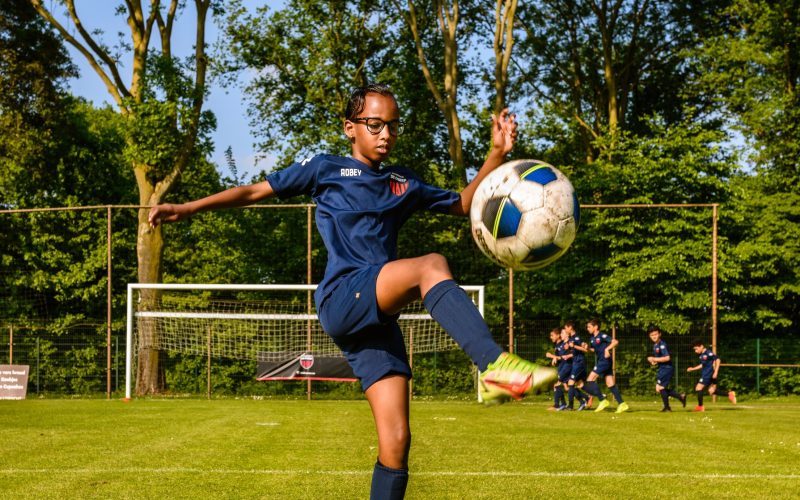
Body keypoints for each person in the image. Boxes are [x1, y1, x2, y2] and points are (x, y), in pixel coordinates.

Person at [148, 83, 556, 499]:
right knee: (431, 264)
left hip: (375, 320)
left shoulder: (404, 182)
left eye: (393, 126)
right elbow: (254, 191)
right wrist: (187, 208)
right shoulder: (324, 168)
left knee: (397, 443)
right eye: (375, 125)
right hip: (343, 296)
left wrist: (497, 154)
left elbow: (462, 204)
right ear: (350, 127)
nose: (385, 135)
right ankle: (494, 367)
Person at [582, 318, 629, 413]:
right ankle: (622, 404)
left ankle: (602, 400)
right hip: (602, 360)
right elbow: (595, 351)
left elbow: (615, 341)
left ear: (596, 327)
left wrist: (607, 349)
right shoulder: (592, 339)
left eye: (589, 327)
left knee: (590, 379)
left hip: (605, 361)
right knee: (610, 383)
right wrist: (587, 348)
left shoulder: (602, 335)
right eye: (587, 327)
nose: (588, 328)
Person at [687, 339, 737, 412]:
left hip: (708, 374)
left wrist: (716, 372)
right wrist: (693, 369)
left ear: (701, 346)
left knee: (698, 388)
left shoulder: (708, 353)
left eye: (696, 349)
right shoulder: (702, 355)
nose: (695, 351)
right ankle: (730, 394)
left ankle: (700, 407)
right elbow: (703, 365)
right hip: (707, 374)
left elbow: (718, 360)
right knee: (711, 391)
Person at [645, 325, 686, 412]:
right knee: (660, 388)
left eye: (655, 334)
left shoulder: (662, 345)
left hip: (667, 368)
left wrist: (654, 358)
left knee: (660, 387)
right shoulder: (655, 345)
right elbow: (660, 358)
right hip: (662, 368)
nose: (654, 336)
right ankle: (680, 397)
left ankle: (667, 407)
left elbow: (667, 358)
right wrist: (653, 361)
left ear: (660, 334)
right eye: (652, 335)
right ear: (649, 336)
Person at [563, 320, 591, 411]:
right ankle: (587, 398)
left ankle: (571, 406)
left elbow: (585, 350)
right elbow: (574, 351)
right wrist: (568, 349)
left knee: (570, 383)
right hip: (575, 362)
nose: (565, 330)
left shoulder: (577, 338)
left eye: (566, 328)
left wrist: (574, 346)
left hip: (579, 363)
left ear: (570, 327)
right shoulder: (571, 339)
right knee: (579, 384)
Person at [545, 328, 568, 410]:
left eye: (552, 335)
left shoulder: (563, 344)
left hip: (566, 367)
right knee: (564, 387)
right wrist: (554, 358)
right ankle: (562, 404)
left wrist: (552, 356)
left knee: (559, 385)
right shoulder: (557, 345)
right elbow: (559, 357)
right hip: (561, 367)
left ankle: (557, 405)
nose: (551, 337)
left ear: (558, 335)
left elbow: (563, 357)